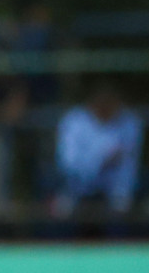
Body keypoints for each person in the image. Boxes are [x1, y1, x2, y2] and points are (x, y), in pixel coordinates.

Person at [52, 81, 142, 219]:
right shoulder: (74, 121)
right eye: (102, 102)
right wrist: (99, 162)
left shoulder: (129, 121)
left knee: (123, 210)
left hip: (115, 190)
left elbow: (130, 166)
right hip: (76, 188)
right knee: (62, 209)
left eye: (111, 102)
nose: (106, 106)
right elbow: (67, 164)